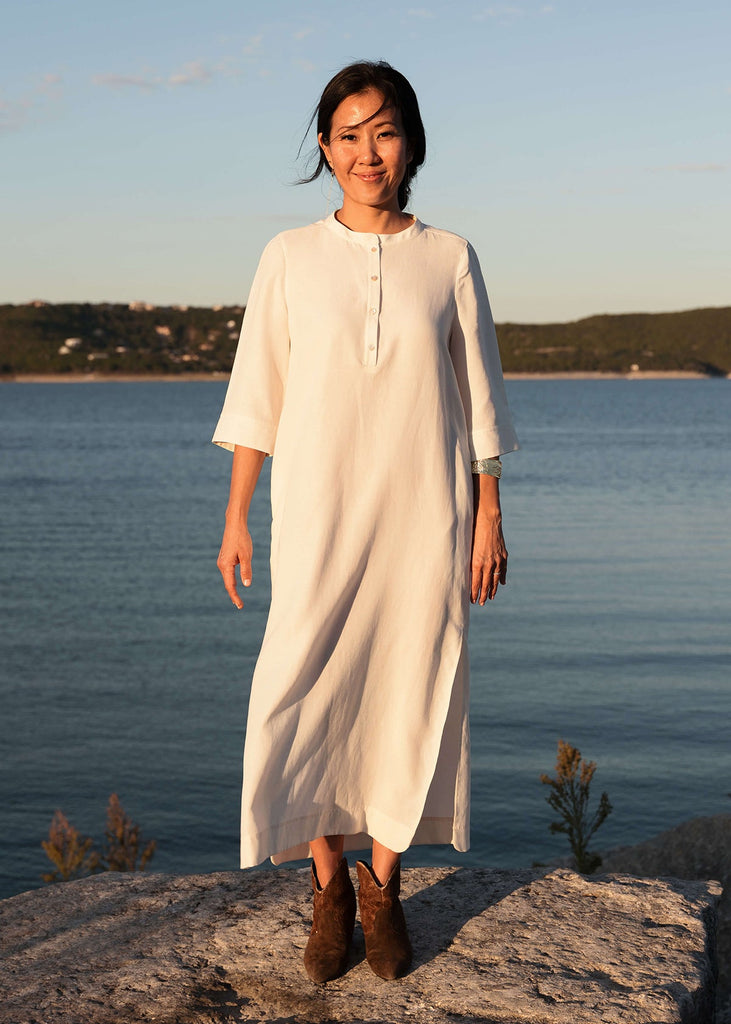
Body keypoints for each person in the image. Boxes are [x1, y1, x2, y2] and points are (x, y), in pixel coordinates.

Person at [213, 60, 519, 984]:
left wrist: (489, 514)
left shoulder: (450, 256)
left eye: (383, 132)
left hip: (427, 511)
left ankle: (384, 886)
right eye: (348, 134)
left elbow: (481, 400)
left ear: (410, 143)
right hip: (319, 509)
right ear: (324, 146)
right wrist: (237, 518)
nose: (366, 151)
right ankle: (327, 883)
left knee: (411, 681)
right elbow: (256, 394)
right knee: (301, 686)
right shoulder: (287, 256)